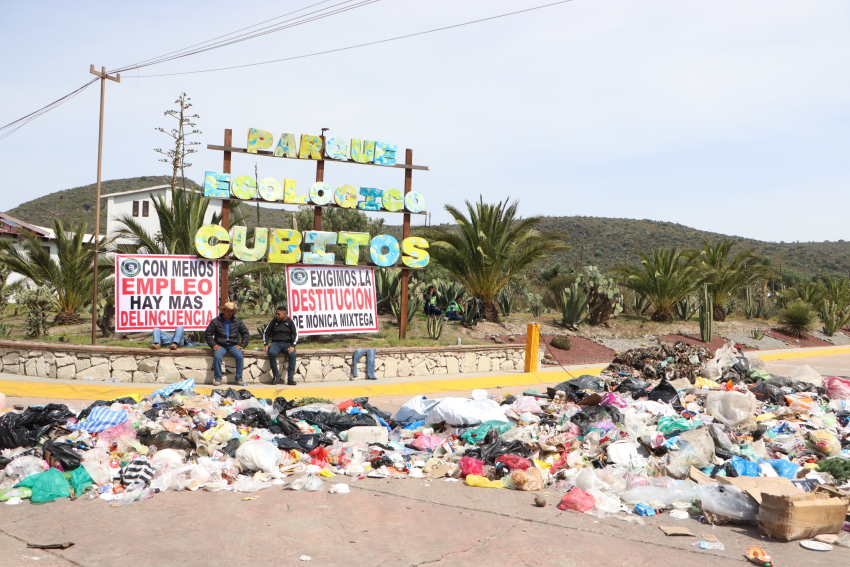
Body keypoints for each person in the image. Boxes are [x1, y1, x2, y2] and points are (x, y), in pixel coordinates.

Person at [204, 301, 250, 387]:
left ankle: (239, 378)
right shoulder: (216, 321)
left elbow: (245, 333)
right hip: (220, 344)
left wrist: (242, 345)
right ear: (223, 310)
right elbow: (208, 334)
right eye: (228, 310)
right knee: (217, 357)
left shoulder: (237, 322)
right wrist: (213, 344)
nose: (230, 313)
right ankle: (218, 378)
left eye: (231, 311)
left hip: (233, 344)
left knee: (240, 357)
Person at [263, 306, 298, 386]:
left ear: (284, 314)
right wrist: (266, 344)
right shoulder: (273, 322)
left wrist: (293, 345)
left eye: (279, 314)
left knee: (292, 355)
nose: (277, 316)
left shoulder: (290, 322)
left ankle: (290, 379)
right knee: (271, 352)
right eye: (276, 314)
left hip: (287, 344)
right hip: (276, 343)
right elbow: (266, 333)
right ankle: (276, 376)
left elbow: (296, 334)